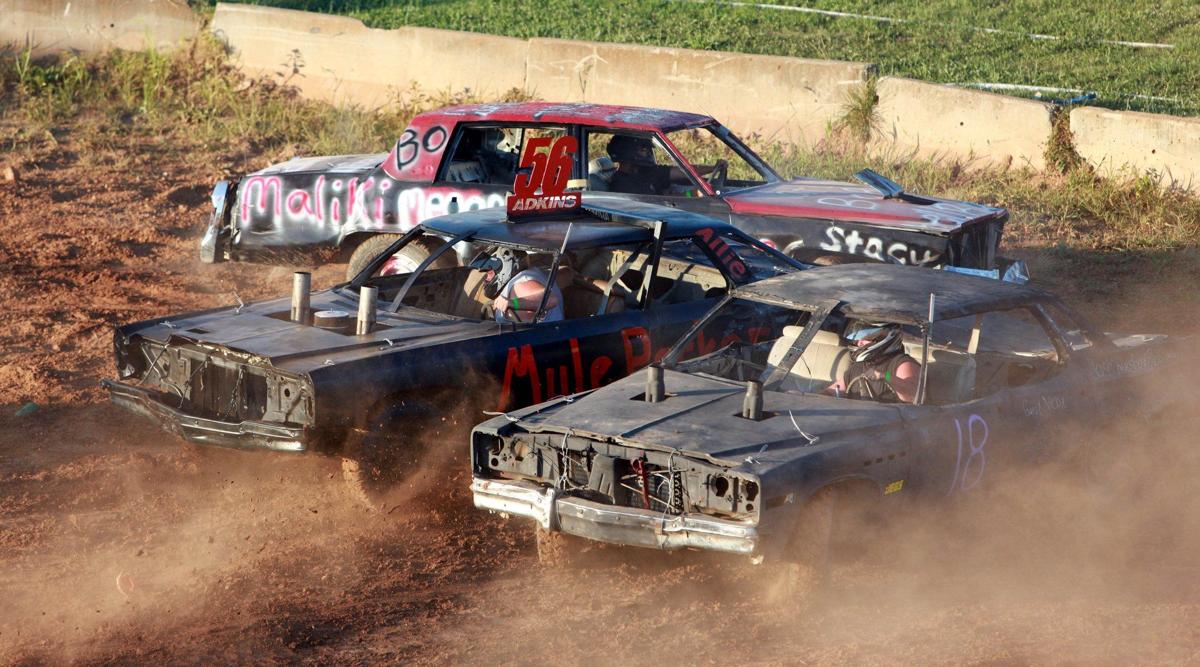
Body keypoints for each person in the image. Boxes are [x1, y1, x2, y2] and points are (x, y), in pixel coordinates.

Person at [828, 322, 921, 404]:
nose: (859, 343)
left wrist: (885, 376)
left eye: (865, 338)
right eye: (858, 338)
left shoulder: (902, 364)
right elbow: (833, 391)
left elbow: (913, 394)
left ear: (883, 337)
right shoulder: (859, 366)